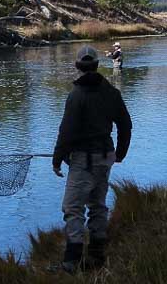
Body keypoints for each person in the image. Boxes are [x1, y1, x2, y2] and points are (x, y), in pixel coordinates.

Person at [53, 45, 133, 273]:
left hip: (83, 160)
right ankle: (97, 257)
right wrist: (120, 153)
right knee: (98, 205)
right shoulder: (112, 93)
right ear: (97, 65)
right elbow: (125, 125)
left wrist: (57, 159)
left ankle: (72, 260)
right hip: (106, 156)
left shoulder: (76, 96)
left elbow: (66, 132)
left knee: (72, 208)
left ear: (77, 66)